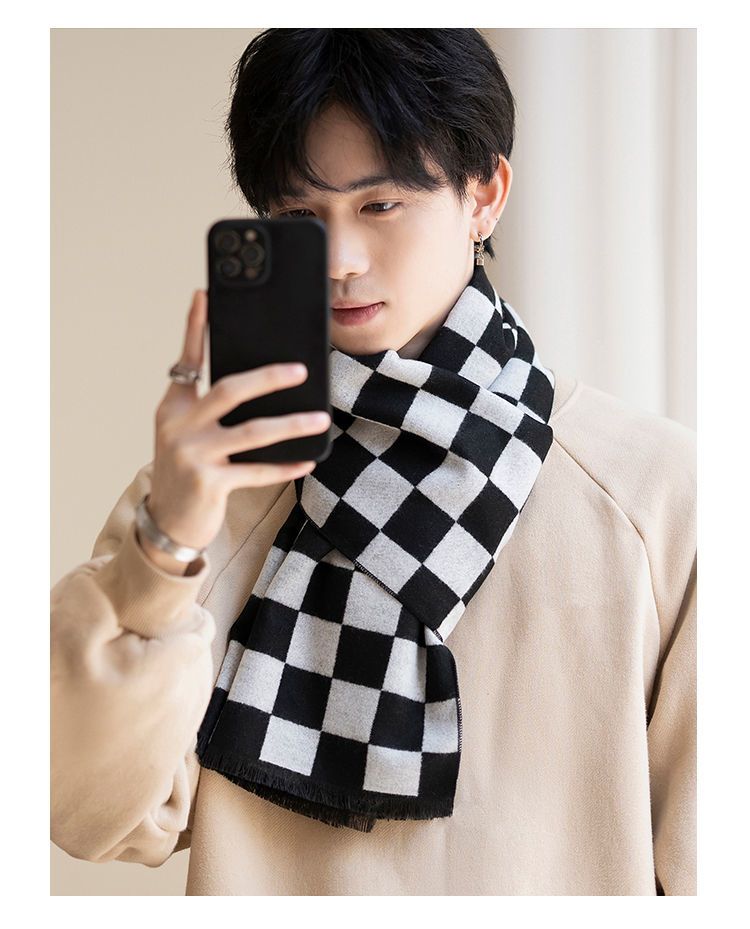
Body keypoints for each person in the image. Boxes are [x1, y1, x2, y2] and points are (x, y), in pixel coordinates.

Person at [50, 29, 696, 895]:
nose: (343, 262)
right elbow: (85, 812)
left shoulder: (654, 494)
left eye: (381, 204)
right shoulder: (214, 489)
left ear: (485, 194)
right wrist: (165, 545)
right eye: (300, 219)